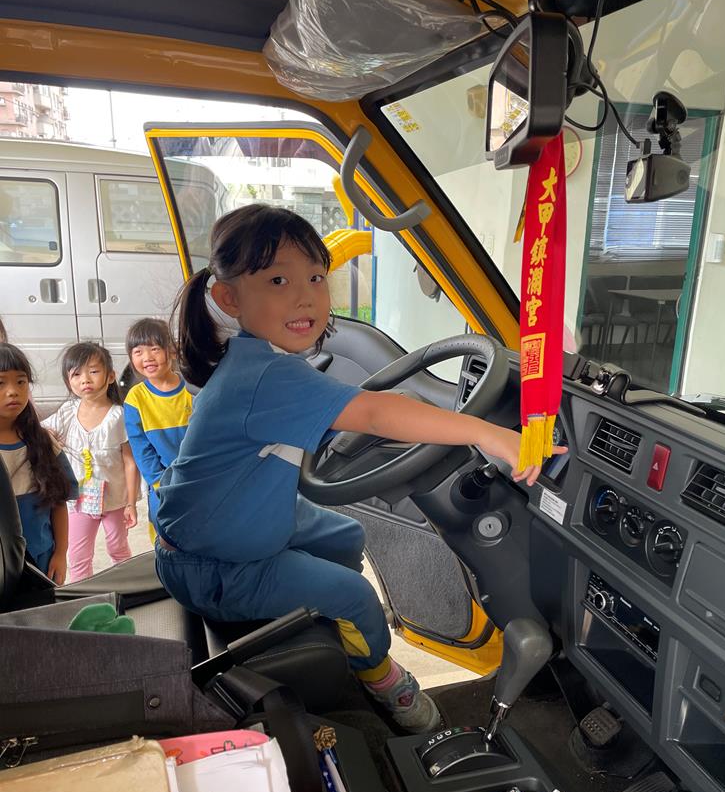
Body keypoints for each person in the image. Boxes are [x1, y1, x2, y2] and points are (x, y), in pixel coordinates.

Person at [155, 205, 565, 733]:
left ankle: (335, 625)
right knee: (356, 596)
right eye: (278, 280)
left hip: (223, 530)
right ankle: (382, 679)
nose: (305, 296)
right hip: (213, 566)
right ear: (229, 298)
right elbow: (372, 413)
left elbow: (350, 414)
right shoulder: (267, 378)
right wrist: (486, 433)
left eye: (315, 277)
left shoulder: (262, 360)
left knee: (347, 535)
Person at [42, 342, 140, 582]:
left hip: (116, 501)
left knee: (118, 549)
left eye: (93, 371)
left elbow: (130, 462)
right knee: (78, 556)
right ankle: (84, 596)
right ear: (68, 381)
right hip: (79, 501)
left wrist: (131, 503)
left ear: (110, 376)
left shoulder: (119, 416)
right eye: (76, 374)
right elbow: (41, 433)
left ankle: (127, 589)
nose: (85, 379)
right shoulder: (67, 412)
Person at [0, 343, 77, 582]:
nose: (13, 391)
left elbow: (58, 502)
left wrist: (61, 553)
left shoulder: (42, 442)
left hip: (42, 559)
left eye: (20, 382)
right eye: (1, 383)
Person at [123, 317, 193, 531]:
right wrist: (161, 484)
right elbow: (141, 449)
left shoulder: (192, 388)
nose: (147, 358)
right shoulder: (135, 399)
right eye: (138, 352)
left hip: (199, 478)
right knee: (164, 533)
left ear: (171, 350)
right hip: (162, 485)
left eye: (154, 349)